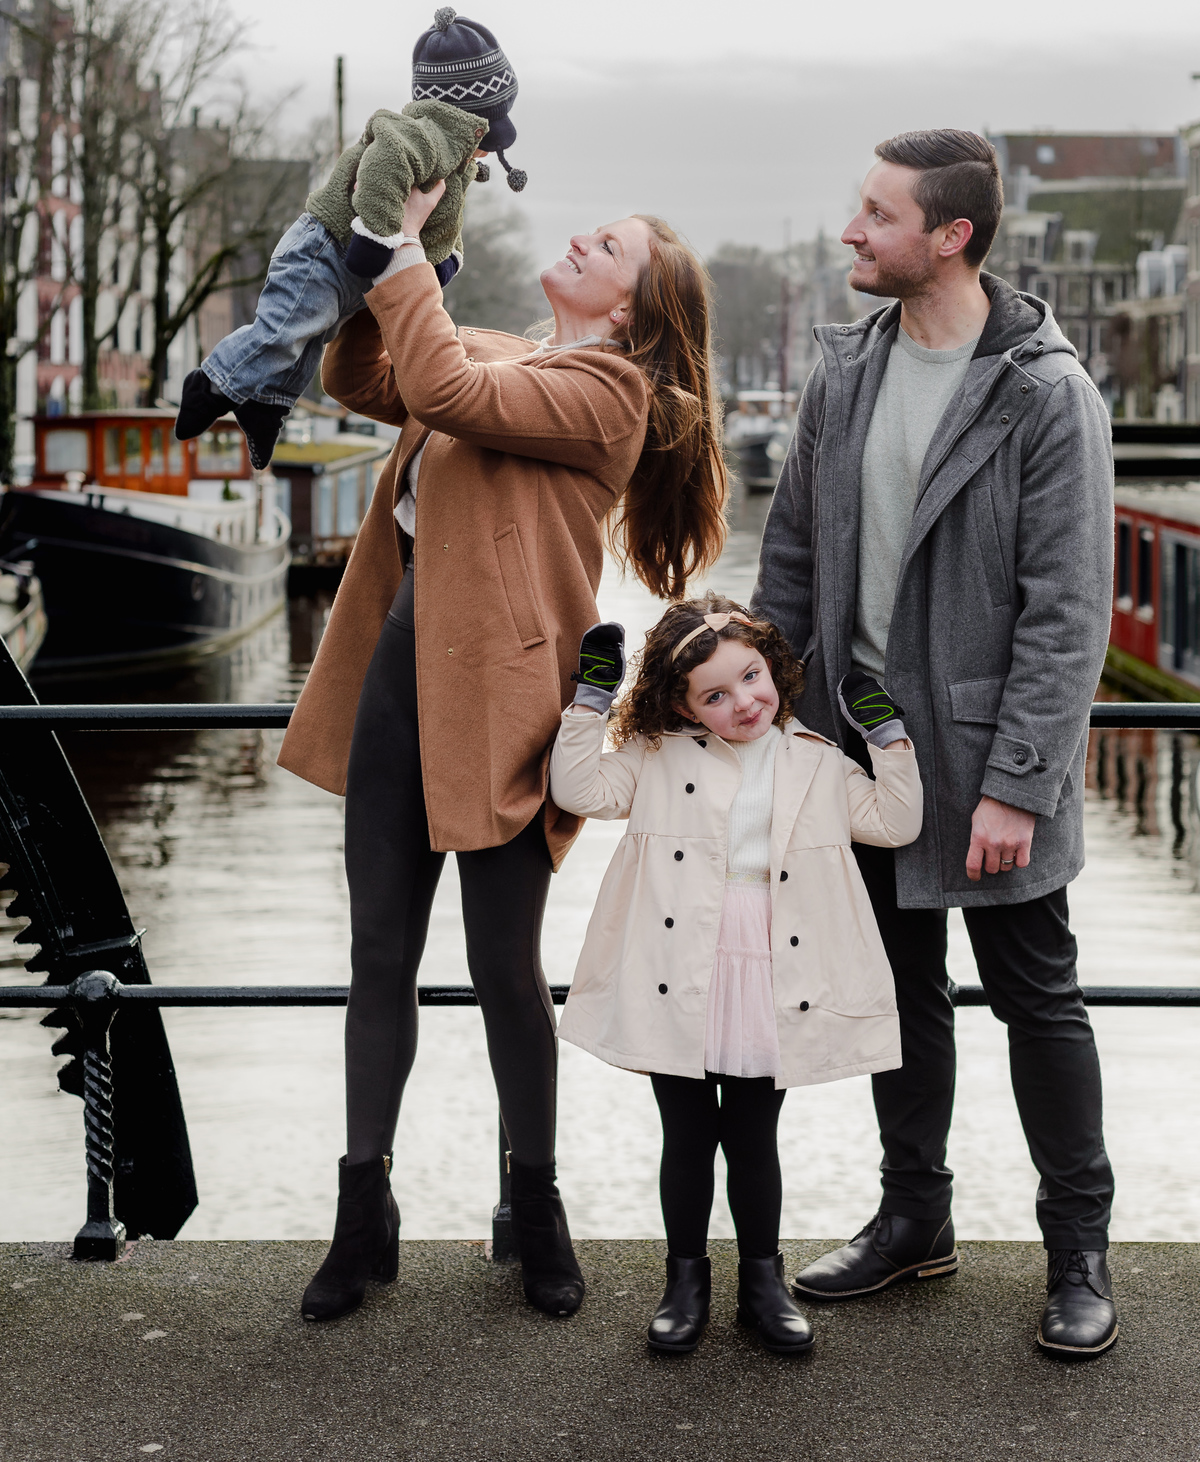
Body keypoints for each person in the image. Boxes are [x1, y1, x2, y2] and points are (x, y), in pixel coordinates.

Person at [275, 188, 728, 1324]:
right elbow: (368, 379)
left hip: (509, 694)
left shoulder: (611, 394)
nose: (580, 237)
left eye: (608, 245)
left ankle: (535, 1204)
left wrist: (403, 264)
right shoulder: (494, 348)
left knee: (504, 968)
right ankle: (361, 1209)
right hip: (398, 667)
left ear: (633, 307)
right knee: (377, 950)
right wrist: (408, 242)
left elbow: (443, 388)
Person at [752, 129, 1118, 1357]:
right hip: (864, 751)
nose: (851, 231)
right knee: (896, 996)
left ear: (949, 236)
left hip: (987, 763)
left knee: (1039, 1001)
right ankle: (916, 1218)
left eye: (875, 214)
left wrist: (1019, 783)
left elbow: (1070, 610)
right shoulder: (846, 370)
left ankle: (1080, 1252)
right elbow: (793, 557)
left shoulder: (1044, 391)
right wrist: (789, 723)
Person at [548, 598, 922, 1355]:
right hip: (680, 957)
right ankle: (683, 1284)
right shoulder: (656, 754)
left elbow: (894, 822)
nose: (742, 702)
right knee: (684, 1133)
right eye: (713, 695)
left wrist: (888, 736)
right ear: (680, 704)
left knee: (755, 1135)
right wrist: (591, 703)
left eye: (750, 678)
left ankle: (763, 1285)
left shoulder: (815, 757)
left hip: (774, 963)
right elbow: (578, 791)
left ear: (772, 668)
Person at [175, 8, 527, 468]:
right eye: (489, 129)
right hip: (325, 248)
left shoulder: (454, 157)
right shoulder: (425, 138)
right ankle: (212, 383)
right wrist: (376, 239)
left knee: (310, 339)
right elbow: (384, 163)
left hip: (348, 269)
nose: (490, 147)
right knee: (284, 331)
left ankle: (267, 406)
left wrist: (442, 261)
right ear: (468, 117)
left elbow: (442, 222)